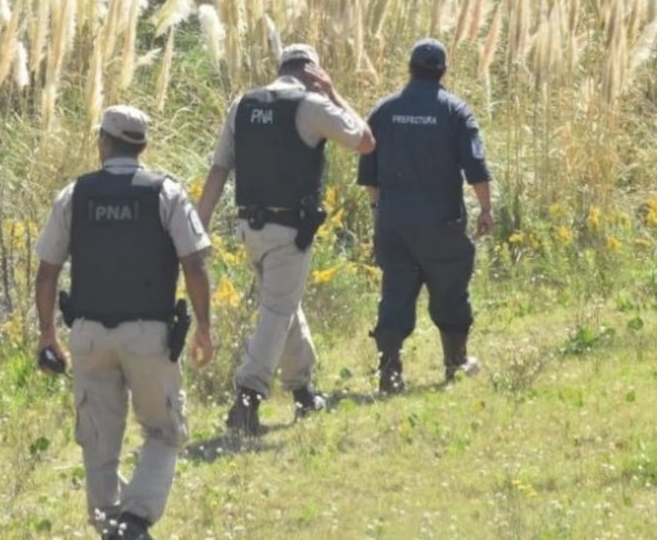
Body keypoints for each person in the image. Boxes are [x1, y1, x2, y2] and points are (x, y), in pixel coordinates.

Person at [34, 105, 213, 540]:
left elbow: (46, 272)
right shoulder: (166, 193)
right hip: (149, 336)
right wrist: (205, 327)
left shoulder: (74, 194)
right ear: (144, 146)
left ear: (103, 141)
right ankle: (134, 520)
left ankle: (110, 526)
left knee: (98, 440)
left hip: (89, 336)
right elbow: (193, 263)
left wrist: (47, 334)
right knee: (165, 429)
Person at [197, 44, 375, 436]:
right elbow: (365, 141)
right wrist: (332, 92)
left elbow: (218, 170)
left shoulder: (243, 104)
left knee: (285, 306)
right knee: (278, 311)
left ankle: (303, 391)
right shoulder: (310, 105)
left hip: (249, 229)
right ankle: (247, 398)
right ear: (312, 70)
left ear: (280, 67)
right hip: (290, 231)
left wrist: (198, 228)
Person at [357, 38, 492, 394]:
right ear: (443, 71)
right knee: (450, 291)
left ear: (410, 68)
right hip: (441, 223)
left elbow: (369, 175)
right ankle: (456, 362)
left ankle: (390, 371)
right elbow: (476, 168)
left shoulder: (383, 111)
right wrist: (486, 209)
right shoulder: (456, 111)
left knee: (396, 291)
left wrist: (378, 212)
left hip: (395, 223)